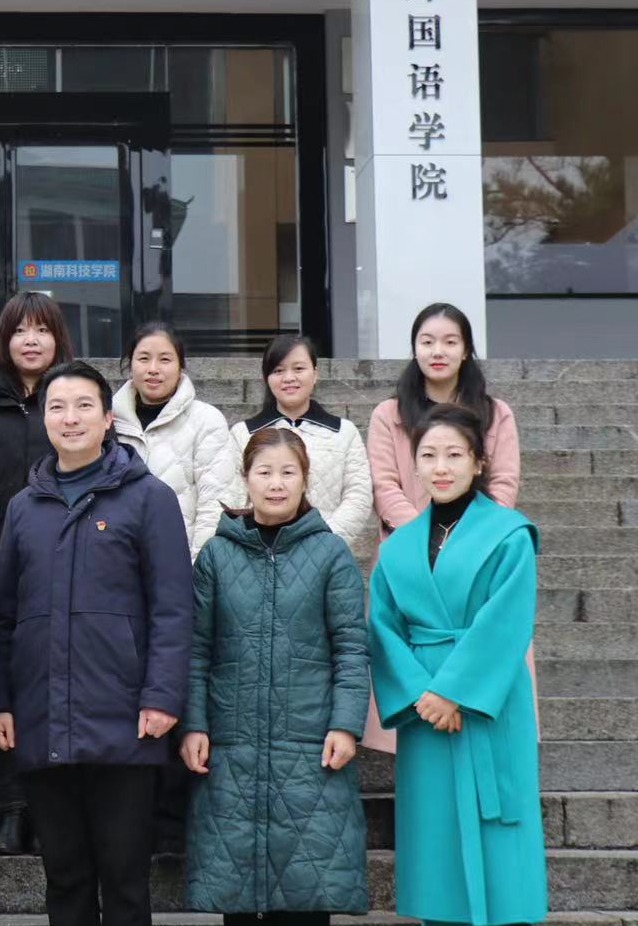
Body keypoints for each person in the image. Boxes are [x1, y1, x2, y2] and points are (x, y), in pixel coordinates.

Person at [0, 359, 192, 926]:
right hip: (45, 725)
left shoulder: (148, 498)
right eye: (57, 407)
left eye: (83, 406)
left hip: (125, 727)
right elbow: (1, 617)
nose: (69, 418)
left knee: (126, 885)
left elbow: (173, 607)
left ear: (109, 419)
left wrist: (162, 695)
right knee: (67, 884)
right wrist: (1, 702)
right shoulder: (24, 507)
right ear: (44, 420)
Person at [181, 427, 370, 926]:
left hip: (308, 749)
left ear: (305, 478)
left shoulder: (329, 553)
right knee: (244, 908)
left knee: (305, 903)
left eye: (287, 472)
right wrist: (194, 724)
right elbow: (196, 650)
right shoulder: (216, 556)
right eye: (264, 471)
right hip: (232, 747)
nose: (276, 483)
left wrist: (346, 724)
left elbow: (352, 648)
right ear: (246, 478)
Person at [368, 402, 545, 926]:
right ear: (413, 465)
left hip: (488, 714)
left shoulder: (509, 535)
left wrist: (455, 691)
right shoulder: (398, 546)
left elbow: (507, 621)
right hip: (427, 720)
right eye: (428, 456)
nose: (439, 467)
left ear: (478, 462)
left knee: (500, 873)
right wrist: (422, 694)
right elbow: (382, 627)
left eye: (453, 455)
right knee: (445, 872)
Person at [364, 301, 522, 752]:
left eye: (450, 342)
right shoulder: (389, 414)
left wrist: (470, 539)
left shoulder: (496, 414)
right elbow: (384, 484)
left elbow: (503, 482)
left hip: (479, 559)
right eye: (427, 341)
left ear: (467, 349)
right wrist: (425, 538)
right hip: (410, 560)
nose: (438, 351)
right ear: (414, 348)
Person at [0, 292, 72, 856]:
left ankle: (50, 804)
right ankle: (11, 807)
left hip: (65, 561)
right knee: (0, 678)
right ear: (3, 340)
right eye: (20, 330)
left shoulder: (73, 399)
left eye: (42, 329)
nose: (31, 340)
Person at [222, 334, 375, 554]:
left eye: (299, 368)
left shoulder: (344, 432)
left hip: (325, 555)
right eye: (278, 370)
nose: (289, 378)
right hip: (260, 554)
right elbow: (234, 495)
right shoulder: (243, 433)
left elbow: (358, 496)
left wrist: (323, 543)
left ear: (315, 374)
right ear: (266, 378)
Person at [111, 321, 238, 559]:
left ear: (181, 367)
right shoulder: (107, 421)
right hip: (118, 563)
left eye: (165, 359)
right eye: (144, 358)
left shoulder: (206, 420)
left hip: (180, 562)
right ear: (130, 365)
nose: (153, 369)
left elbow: (215, 504)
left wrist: (198, 566)